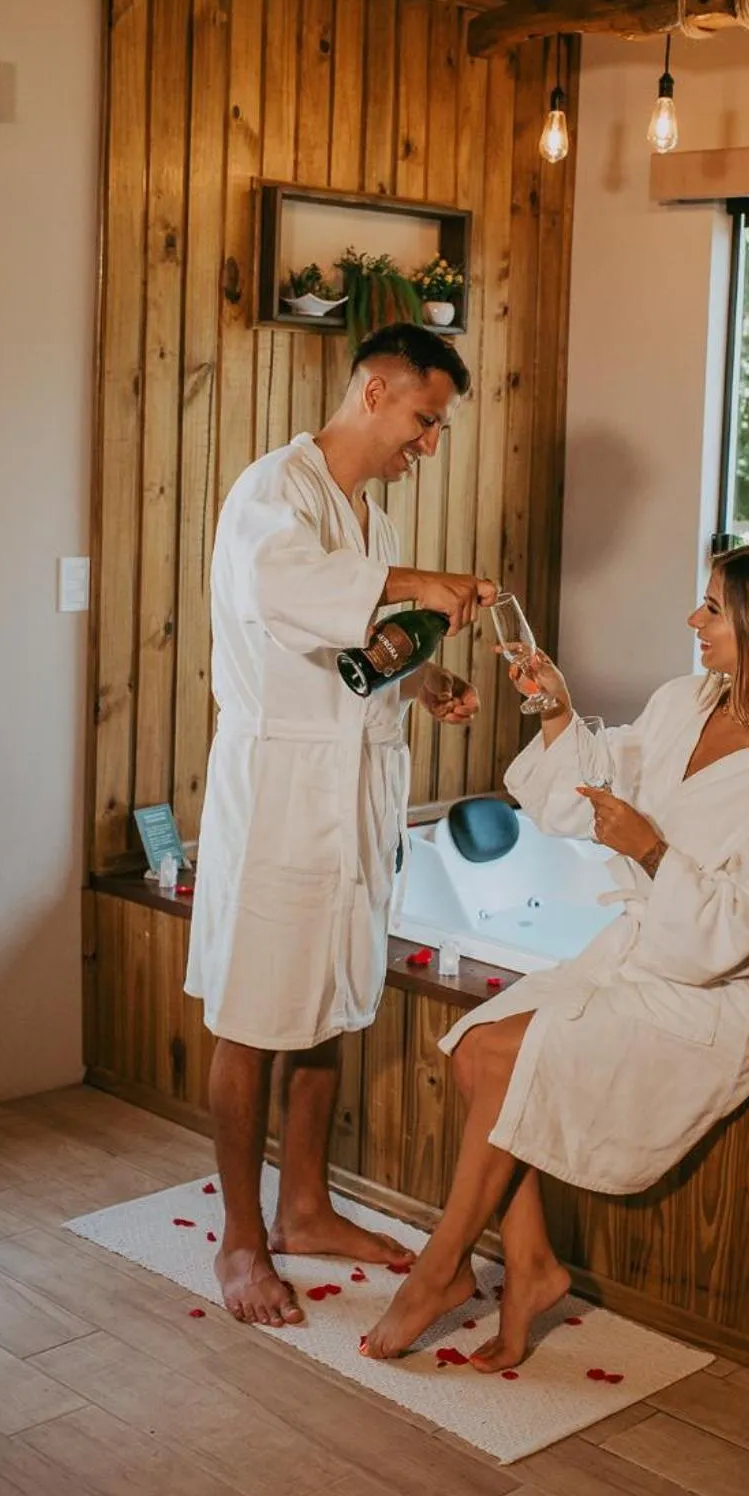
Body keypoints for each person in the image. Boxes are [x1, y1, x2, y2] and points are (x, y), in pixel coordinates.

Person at [362, 543, 749, 1370]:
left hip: (714, 997)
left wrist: (655, 852)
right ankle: (534, 1266)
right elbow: (591, 794)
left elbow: (737, 931)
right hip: (635, 955)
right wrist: (556, 712)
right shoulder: (685, 702)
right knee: (479, 1051)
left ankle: (438, 1271)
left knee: (501, 1057)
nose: (694, 620)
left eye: (714, 610)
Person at [187, 323, 497, 1327]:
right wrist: (422, 587)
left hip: (352, 783)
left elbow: (358, 650)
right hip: (279, 783)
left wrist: (428, 674)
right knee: (252, 1008)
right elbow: (291, 591)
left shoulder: (369, 518)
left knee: (324, 1002)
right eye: (425, 418)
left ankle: (306, 1205)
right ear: (373, 391)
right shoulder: (272, 494)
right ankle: (241, 1234)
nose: (430, 442)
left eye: (438, 425)